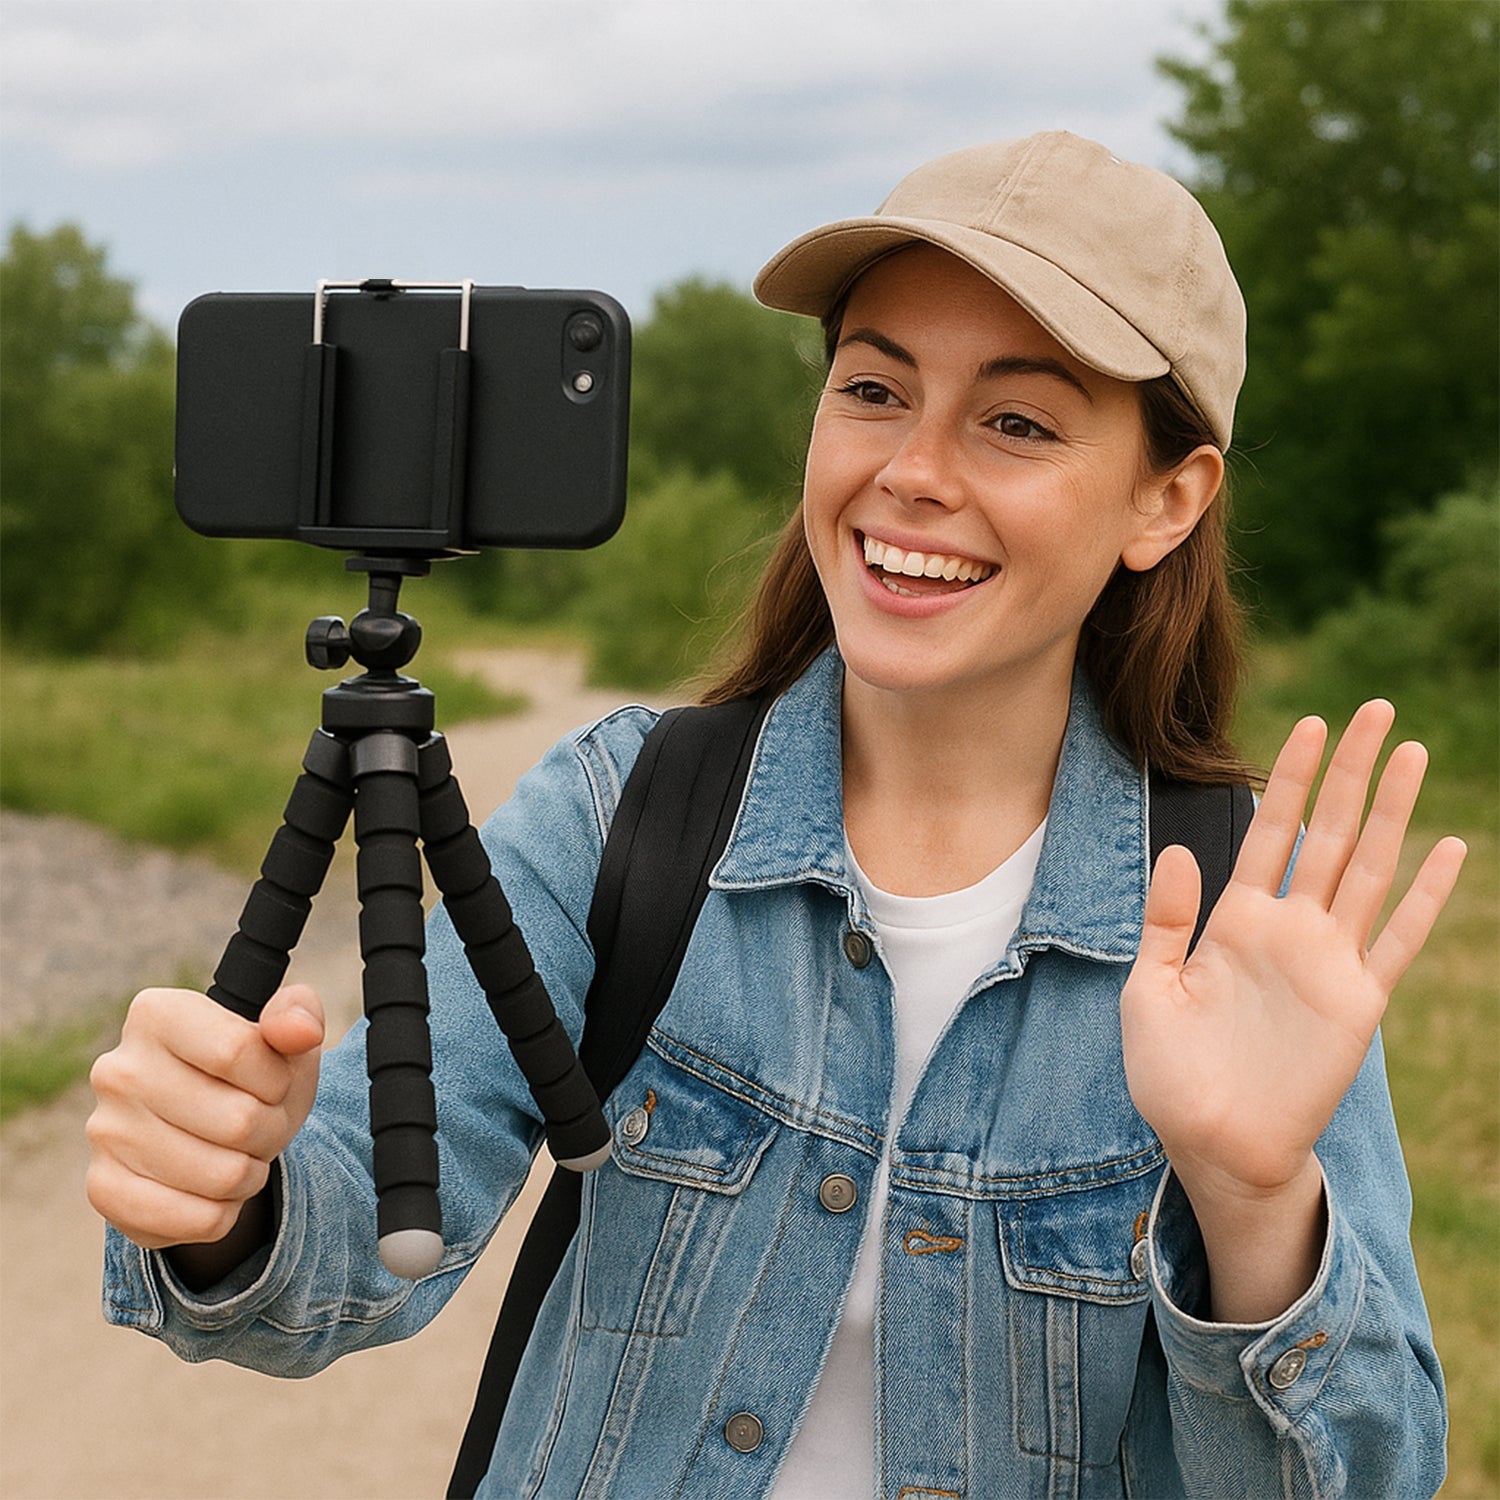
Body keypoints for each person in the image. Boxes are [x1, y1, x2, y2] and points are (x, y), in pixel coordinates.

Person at [86, 132, 1466, 1498]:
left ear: (1167, 500)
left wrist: (1252, 1207)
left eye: (1018, 421)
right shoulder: (621, 815)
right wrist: (227, 1194)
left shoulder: (1241, 927)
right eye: (876, 388)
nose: (913, 471)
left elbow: (1363, 1477)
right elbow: (341, 1261)